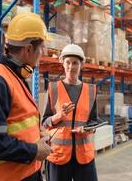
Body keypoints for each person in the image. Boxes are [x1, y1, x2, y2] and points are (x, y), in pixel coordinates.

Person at [0, 13, 52, 181]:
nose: (42, 54)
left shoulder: (15, 78)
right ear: (29, 48)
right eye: (41, 49)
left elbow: (16, 124)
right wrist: (34, 151)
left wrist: (37, 134)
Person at [42, 44, 99, 181]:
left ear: (81, 65)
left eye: (75, 63)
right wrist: (58, 116)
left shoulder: (90, 91)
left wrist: (86, 129)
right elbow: (45, 121)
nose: (71, 67)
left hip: (84, 156)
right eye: (68, 62)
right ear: (62, 63)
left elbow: (94, 121)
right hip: (58, 155)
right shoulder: (54, 88)